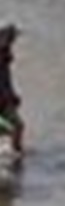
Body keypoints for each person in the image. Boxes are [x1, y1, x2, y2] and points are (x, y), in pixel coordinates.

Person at [0, 25, 23, 160]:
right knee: (16, 128)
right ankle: (16, 156)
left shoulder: (5, 59)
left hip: (6, 100)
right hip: (2, 101)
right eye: (12, 39)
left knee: (17, 127)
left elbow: (6, 81)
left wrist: (12, 96)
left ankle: (16, 155)